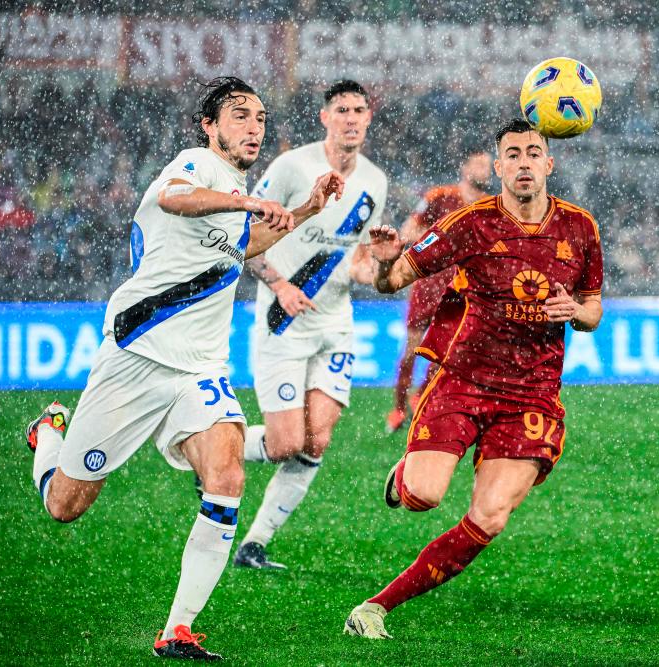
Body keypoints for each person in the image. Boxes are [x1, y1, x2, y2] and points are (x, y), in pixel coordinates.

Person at [24, 76, 343, 660]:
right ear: (210, 126)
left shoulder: (233, 189)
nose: (254, 127)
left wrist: (308, 208)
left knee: (226, 481)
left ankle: (177, 630)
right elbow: (174, 197)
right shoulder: (196, 164)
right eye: (240, 116)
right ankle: (47, 435)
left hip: (200, 365)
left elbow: (244, 246)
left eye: (261, 119)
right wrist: (249, 201)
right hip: (140, 354)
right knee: (65, 506)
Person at [343, 119, 604, 639]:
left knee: (490, 517)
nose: (524, 162)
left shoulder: (580, 227)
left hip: (532, 394)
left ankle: (374, 608)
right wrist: (386, 263)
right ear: (499, 166)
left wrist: (574, 308)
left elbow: (594, 309)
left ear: (549, 164)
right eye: (513, 154)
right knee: (423, 497)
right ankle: (404, 476)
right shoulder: (469, 222)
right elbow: (393, 281)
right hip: (464, 380)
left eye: (534, 153)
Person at [232, 80, 388, 569]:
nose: (351, 118)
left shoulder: (375, 183)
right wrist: (279, 283)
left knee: (317, 439)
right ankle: (209, 448)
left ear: (368, 117)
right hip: (283, 320)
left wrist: (383, 262)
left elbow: (358, 262)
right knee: (285, 445)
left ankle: (255, 544)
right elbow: (243, 234)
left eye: (359, 110)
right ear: (325, 118)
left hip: (335, 324)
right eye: (341, 109)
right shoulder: (292, 167)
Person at [385, 151, 493, 433]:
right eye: (479, 164)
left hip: (461, 289)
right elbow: (410, 229)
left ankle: (421, 397)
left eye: (487, 166)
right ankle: (397, 408)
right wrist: (428, 247)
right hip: (428, 283)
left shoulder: (489, 207)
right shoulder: (440, 196)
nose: (484, 170)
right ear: (464, 165)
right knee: (411, 350)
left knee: (445, 353)